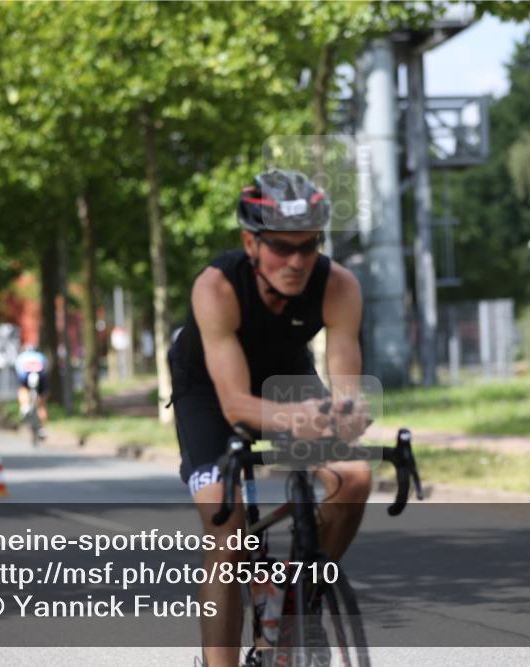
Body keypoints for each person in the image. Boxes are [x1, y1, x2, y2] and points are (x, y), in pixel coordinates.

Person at [168, 169, 372, 666]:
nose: (297, 261)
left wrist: (348, 413)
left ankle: (295, 605)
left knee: (355, 477)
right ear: (250, 242)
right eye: (281, 246)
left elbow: (346, 393)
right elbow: (236, 404)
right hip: (210, 392)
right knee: (228, 532)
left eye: (309, 246)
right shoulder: (216, 287)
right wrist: (297, 418)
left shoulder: (338, 286)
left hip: (285, 375)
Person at [14, 344, 48, 438]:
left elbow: (18, 371)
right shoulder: (41, 356)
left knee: (23, 389)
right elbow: (46, 369)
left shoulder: (21, 357)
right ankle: (42, 428)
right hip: (40, 378)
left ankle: (24, 406)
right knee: (42, 404)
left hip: (25, 377)